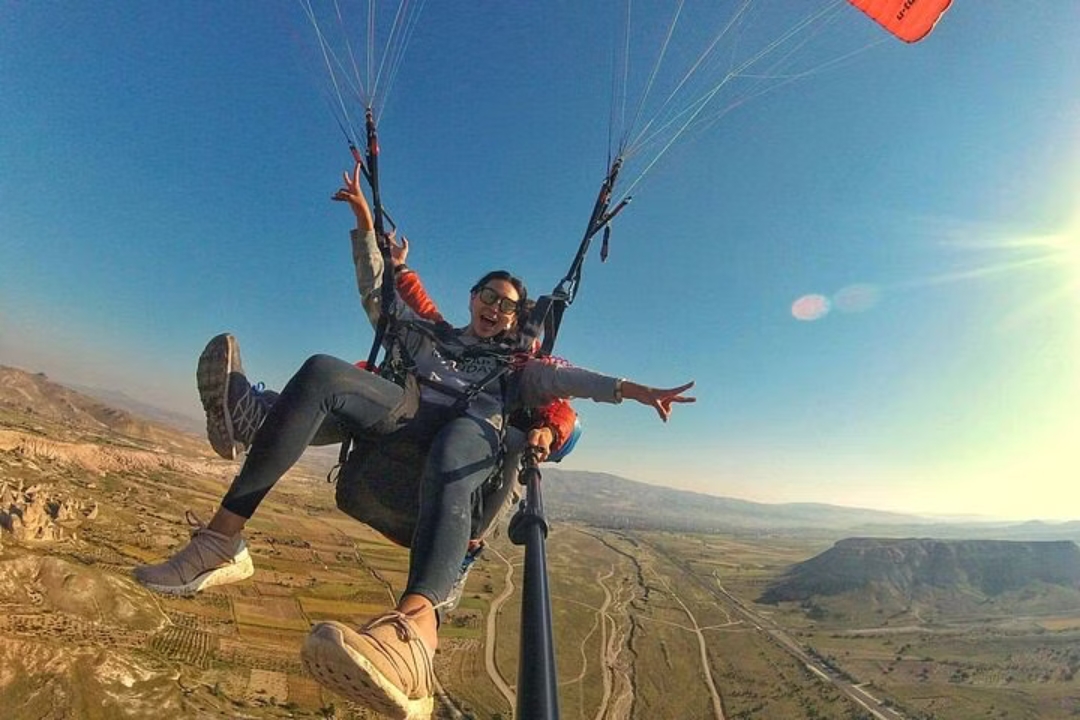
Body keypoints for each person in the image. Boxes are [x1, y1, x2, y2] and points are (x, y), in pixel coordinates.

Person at [134, 160, 694, 720]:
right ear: (472, 298)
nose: (495, 308)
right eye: (488, 296)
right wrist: (361, 222)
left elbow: (573, 382)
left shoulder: (520, 368)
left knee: (459, 440)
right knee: (326, 369)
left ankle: (415, 636)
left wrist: (635, 391)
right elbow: (379, 295)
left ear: (516, 320)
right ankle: (221, 541)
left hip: (465, 443)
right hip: (399, 424)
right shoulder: (429, 336)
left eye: (506, 305)